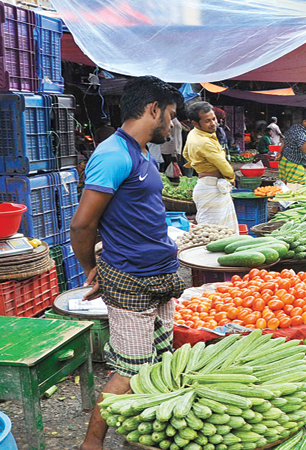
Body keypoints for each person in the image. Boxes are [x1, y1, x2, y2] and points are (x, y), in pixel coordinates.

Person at [73, 76, 186, 450]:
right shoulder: (112, 155)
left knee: (159, 362)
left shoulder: (138, 152)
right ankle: (92, 443)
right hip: (132, 281)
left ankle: (144, 432)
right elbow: (83, 222)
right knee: (129, 371)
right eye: (168, 116)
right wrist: (92, 266)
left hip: (159, 278)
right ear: (153, 110)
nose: (169, 126)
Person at [183, 101, 239, 230]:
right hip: (211, 188)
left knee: (219, 230)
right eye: (207, 121)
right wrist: (231, 179)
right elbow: (224, 167)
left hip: (206, 185)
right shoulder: (204, 142)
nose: (213, 123)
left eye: (214, 119)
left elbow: (185, 154)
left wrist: (198, 164)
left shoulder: (193, 133)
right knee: (214, 232)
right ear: (195, 123)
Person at [279, 109, 306, 184]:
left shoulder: (296, 127)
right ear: (305, 122)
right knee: (295, 188)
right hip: (295, 164)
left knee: (286, 187)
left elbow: (285, 140)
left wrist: (279, 152)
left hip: (287, 160)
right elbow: (304, 150)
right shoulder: (300, 132)